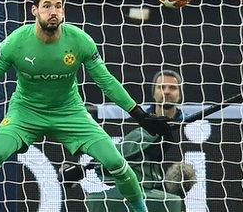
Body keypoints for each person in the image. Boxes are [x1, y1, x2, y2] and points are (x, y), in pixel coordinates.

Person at [0, 0, 172, 212]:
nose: (53, 11)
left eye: (58, 6)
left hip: (70, 112)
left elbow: (106, 81)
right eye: (47, 5)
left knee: (115, 162)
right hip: (25, 112)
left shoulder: (80, 41)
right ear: (34, 10)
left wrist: (140, 115)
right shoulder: (15, 43)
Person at [60, 69, 194, 212]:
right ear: (154, 93)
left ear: (180, 94)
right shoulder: (132, 124)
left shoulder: (192, 127)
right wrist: (87, 167)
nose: (166, 91)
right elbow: (122, 152)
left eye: (172, 87)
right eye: (161, 87)